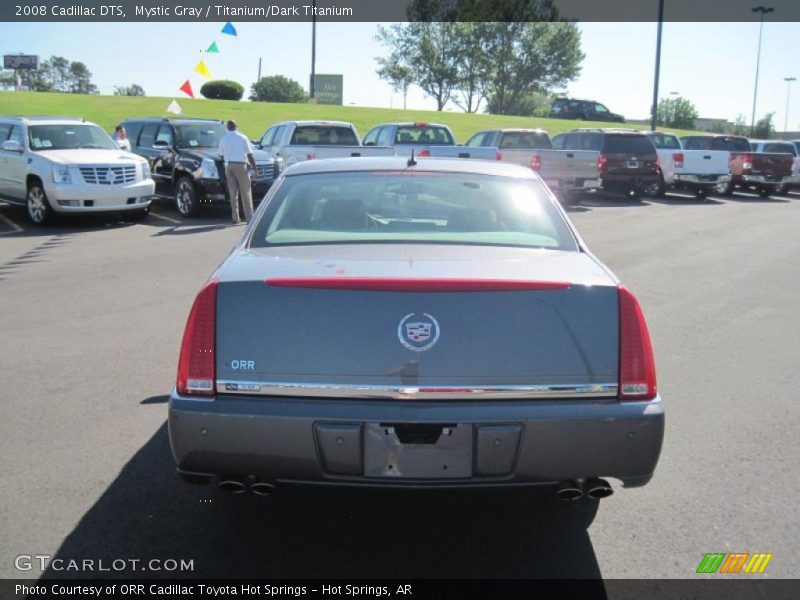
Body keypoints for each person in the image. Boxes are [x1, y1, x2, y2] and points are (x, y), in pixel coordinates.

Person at [218, 120, 257, 225]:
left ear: (227, 127)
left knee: (233, 192)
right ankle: (249, 218)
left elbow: (220, 154)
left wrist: (227, 157)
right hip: (241, 165)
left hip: (228, 165)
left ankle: (235, 217)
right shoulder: (242, 137)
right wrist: (255, 168)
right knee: (246, 192)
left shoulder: (223, 139)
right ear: (236, 126)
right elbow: (250, 154)